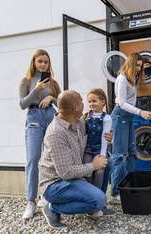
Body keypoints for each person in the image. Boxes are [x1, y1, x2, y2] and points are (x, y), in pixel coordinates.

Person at [38, 90, 116, 229]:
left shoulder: (79, 122)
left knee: (107, 162)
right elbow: (65, 173)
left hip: (74, 175)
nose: (84, 104)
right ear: (75, 107)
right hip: (56, 184)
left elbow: (94, 138)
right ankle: (53, 208)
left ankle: (95, 207)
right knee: (98, 200)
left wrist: (106, 137)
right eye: (81, 101)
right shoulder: (56, 133)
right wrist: (92, 166)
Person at [19, 49, 61, 219]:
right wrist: (36, 90)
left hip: (50, 116)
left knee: (51, 159)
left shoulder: (53, 82)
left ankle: (46, 196)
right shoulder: (26, 81)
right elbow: (22, 104)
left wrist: (51, 98)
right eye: (40, 61)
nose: (43, 64)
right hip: (34, 118)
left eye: (46, 62)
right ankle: (31, 201)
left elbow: (62, 103)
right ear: (34, 62)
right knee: (33, 159)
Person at [110, 52, 151, 200]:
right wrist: (140, 112)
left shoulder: (132, 78)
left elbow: (147, 66)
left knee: (132, 154)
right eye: (137, 65)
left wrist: (148, 63)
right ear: (130, 63)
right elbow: (121, 102)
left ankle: (129, 185)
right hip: (120, 116)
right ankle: (116, 191)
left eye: (141, 66)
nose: (139, 69)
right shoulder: (122, 78)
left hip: (127, 117)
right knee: (121, 155)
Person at [81, 88, 112, 216]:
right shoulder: (86, 116)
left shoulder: (107, 118)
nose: (91, 104)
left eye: (94, 101)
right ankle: (90, 200)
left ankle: (97, 203)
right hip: (88, 149)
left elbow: (105, 138)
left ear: (103, 101)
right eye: (89, 101)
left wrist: (103, 155)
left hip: (99, 149)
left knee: (99, 172)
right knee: (88, 171)